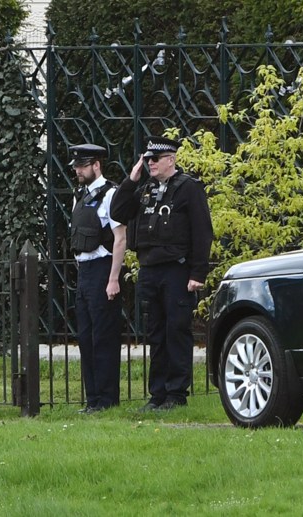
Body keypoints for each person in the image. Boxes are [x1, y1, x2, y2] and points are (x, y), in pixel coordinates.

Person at [110, 136, 213, 411]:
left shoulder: (188, 188)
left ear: (171, 159)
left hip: (177, 270)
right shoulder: (145, 189)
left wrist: (198, 273)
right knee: (154, 332)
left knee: (176, 330)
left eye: (155, 159)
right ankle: (157, 394)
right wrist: (131, 180)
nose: (150, 164)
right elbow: (118, 211)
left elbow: (202, 231)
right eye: (147, 159)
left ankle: (176, 393)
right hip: (150, 270)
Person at [69, 143, 126, 413]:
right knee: (85, 336)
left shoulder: (111, 194)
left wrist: (113, 278)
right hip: (85, 272)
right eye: (76, 166)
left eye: (82, 166)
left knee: (104, 337)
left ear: (96, 165)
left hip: (103, 268)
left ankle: (107, 399)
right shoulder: (79, 196)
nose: (78, 171)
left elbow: (120, 238)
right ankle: (93, 399)